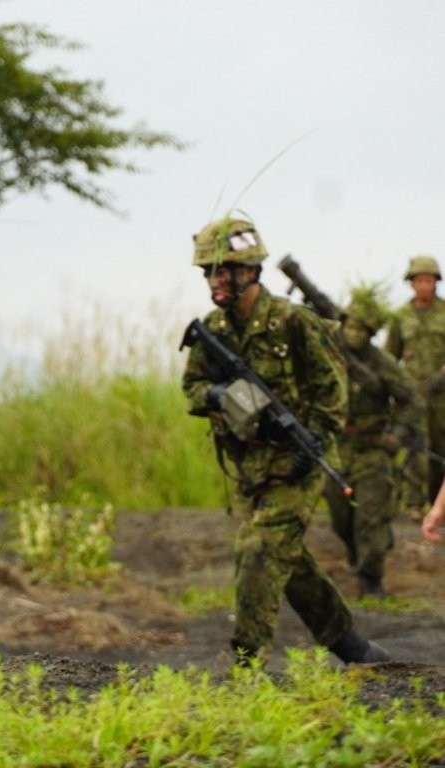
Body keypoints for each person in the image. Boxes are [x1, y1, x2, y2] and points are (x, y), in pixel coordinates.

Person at [181, 215, 389, 665]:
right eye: (208, 272)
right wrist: (219, 394)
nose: (214, 281)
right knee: (286, 557)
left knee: (258, 549)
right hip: (250, 467)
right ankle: (351, 646)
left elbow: (334, 391)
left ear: (250, 271)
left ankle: (247, 664)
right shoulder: (213, 331)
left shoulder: (293, 322)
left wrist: (311, 438)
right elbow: (192, 388)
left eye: (222, 271)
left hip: (301, 461)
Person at [321, 290, 423, 599]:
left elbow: (411, 401)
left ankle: (371, 579)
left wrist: (398, 434)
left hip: (372, 448)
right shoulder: (331, 355)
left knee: (370, 515)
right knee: (340, 518)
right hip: (338, 447)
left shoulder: (382, 363)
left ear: (370, 334)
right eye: (349, 327)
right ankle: (361, 551)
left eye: (360, 330)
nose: (352, 334)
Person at [384, 255, 445, 520]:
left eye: (428, 280)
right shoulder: (400, 317)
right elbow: (389, 357)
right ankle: (413, 503)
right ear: (411, 283)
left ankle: (437, 504)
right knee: (416, 449)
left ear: (435, 283)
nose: (424, 285)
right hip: (412, 395)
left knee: (440, 451)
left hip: (442, 396)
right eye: (419, 280)